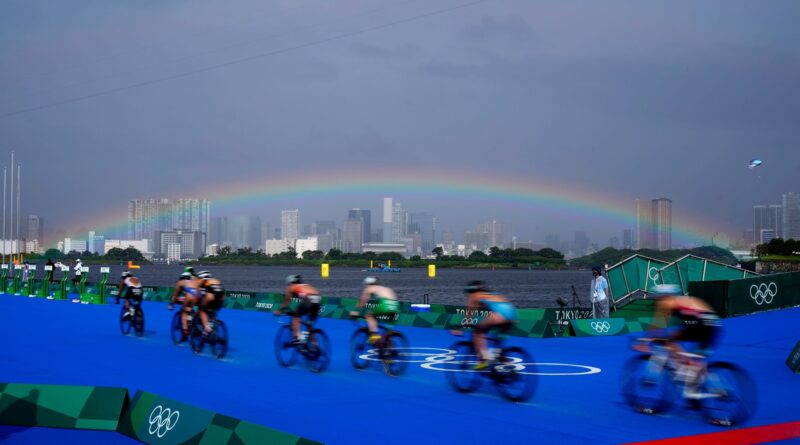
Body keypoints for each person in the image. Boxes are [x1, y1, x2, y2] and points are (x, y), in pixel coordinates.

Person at [646, 284, 721, 399]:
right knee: (698, 358)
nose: (656, 299)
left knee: (670, 340)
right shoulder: (680, 300)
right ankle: (713, 385)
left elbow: (658, 324)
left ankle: (687, 371)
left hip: (700, 323)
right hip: (714, 324)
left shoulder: (666, 302)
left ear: (662, 296)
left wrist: (647, 339)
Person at [452, 281, 517, 370]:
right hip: (512, 314)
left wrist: (460, 328)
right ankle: (508, 365)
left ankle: (484, 360)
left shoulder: (474, 296)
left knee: (478, 333)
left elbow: (469, 315)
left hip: (500, 314)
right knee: (498, 341)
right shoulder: (491, 294)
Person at [349, 277, 400, 345]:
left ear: (368, 284)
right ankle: (389, 345)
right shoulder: (387, 288)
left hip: (384, 304)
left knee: (369, 315)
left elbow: (362, 301)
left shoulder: (369, 288)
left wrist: (355, 311)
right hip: (395, 306)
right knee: (389, 329)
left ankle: (374, 335)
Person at [275, 275, 321, 344]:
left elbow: (286, 302)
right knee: (309, 324)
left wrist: (279, 311)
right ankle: (314, 344)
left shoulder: (291, 287)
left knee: (296, 317)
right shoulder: (306, 285)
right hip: (317, 300)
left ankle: (297, 338)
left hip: (309, 300)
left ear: (291, 282)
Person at [168, 271, 202, 340]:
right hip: (198, 296)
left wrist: (171, 304)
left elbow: (175, 295)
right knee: (196, 310)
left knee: (184, 311)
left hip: (190, 296)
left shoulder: (181, 282)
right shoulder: (194, 281)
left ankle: (185, 330)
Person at [196, 271, 225, 338]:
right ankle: (214, 324)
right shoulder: (215, 280)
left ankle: (207, 328)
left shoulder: (202, 281)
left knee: (202, 310)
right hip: (221, 295)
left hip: (211, 295)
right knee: (213, 310)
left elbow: (197, 295)